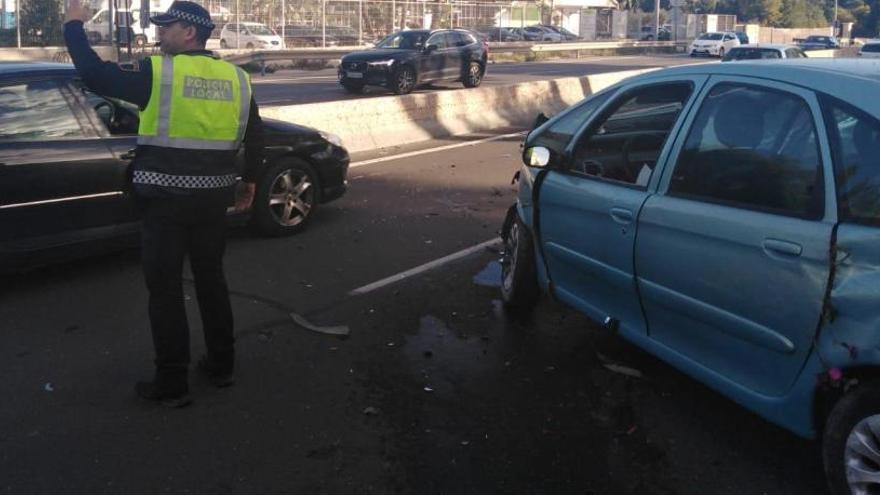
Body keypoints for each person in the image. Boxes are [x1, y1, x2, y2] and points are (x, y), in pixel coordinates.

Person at [64, 0, 265, 407]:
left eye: (166, 26)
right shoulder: (238, 79)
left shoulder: (158, 72)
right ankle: (221, 366)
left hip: (165, 202)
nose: (159, 34)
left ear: (188, 32)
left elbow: (91, 73)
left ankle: (172, 382)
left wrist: (73, 26)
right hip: (213, 201)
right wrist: (251, 182)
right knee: (211, 282)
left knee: (166, 291)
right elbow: (255, 136)